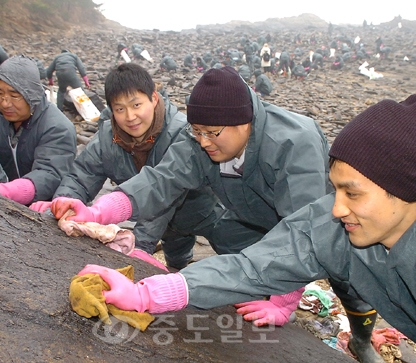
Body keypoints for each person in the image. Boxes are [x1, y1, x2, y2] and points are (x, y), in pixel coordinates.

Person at [80, 93, 416, 363]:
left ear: (403, 190)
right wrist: (144, 293)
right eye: (335, 188)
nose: (335, 207)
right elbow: (252, 267)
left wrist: (287, 301)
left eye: (352, 193)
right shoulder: (342, 217)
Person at [47, 67, 381, 361]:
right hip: (250, 216)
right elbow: (160, 181)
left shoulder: (295, 144)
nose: (204, 141)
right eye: (197, 131)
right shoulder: (202, 137)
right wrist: (95, 211)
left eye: (212, 133)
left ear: (245, 121)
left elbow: (303, 235)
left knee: (349, 276)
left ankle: (362, 340)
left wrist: (284, 302)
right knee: (247, 265)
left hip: (322, 226)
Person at [30, 63, 218, 270]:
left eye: (136, 105)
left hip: (202, 212)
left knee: (221, 249)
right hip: (158, 221)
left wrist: (140, 244)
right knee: (175, 257)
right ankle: (177, 267)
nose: (130, 117)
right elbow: (81, 175)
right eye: (120, 109)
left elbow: (165, 191)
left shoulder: (182, 133)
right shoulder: (107, 138)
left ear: (154, 98)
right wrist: (64, 205)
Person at [0, 55, 76, 206]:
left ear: (32, 95)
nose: (5, 103)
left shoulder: (57, 127)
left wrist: (6, 192)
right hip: (8, 189)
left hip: (45, 204)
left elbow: (49, 174)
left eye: (14, 95)